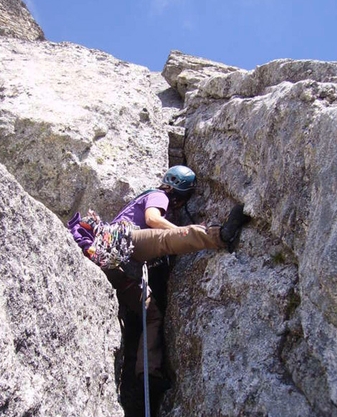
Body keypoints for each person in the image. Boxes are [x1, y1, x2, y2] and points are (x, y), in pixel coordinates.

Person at [67, 165, 250, 390]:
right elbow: (153, 219)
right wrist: (177, 231)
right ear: (181, 194)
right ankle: (218, 235)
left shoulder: (146, 200)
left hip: (115, 266)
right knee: (165, 240)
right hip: (126, 242)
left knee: (152, 315)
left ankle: (147, 376)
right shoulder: (157, 195)